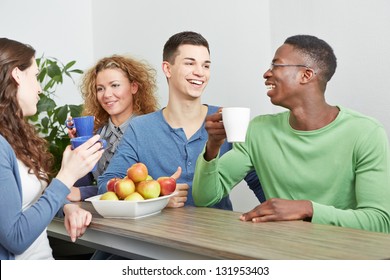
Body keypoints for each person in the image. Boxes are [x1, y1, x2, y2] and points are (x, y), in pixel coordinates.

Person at [192, 34, 390, 233]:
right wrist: (213, 146)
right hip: (283, 251)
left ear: (306, 75)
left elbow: (380, 222)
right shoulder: (258, 130)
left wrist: (306, 208)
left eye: (276, 66)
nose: (266, 74)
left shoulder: (365, 133)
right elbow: (205, 197)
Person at [98, 31, 265, 209]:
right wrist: (157, 198)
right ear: (167, 69)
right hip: (161, 235)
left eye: (206, 65)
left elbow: (260, 184)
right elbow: (107, 184)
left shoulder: (225, 121)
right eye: (189, 63)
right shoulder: (140, 128)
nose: (200, 72)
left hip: (218, 234)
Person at [0, 37, 104, 260]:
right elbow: (15, 237)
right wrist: (66, 177)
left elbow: (31, 203)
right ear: (17, 75)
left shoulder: (15, 138)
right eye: (35, 77)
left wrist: (66, 207)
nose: (39, 89)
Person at [66, 55, 159, 202]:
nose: (107, 95)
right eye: (100, 89)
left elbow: (144, 188)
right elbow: (75, 189)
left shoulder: (150, 131)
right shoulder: (98, 134)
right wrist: (79, 146)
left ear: (134, 87)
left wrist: (85, 193)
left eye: (115, 85)